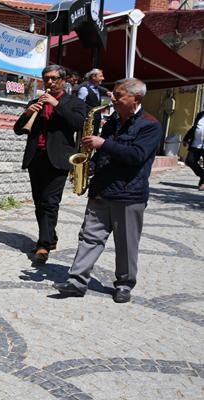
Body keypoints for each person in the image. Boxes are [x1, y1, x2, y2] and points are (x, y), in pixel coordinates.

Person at [53, 78, 162, 303]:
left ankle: (124, 284)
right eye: (113, 93)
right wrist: (91, 165)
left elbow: (136, 156)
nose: (113, 98)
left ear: (136, 98)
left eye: (119, 95)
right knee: (89, 237)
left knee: (126, 244)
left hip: (128, 194)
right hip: (101, 190)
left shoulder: (151, 125)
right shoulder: (113, 120)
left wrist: (103, 144)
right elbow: (105, 154)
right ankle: (77, 281)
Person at [13, 65, 87, 263]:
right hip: (36, 158)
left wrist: (56, 104)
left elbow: (77, 124)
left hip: (59, 159)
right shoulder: (35, 101)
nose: (50, 82)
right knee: (39, 203)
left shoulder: (75, 103)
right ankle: (51, 237)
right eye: (46, 79)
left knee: (50, 202)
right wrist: (28, 113)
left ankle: (43, 245)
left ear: (63, 80)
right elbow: (18, 130)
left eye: (54, 78)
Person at [76, 68, 112, 135]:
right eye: (100, 76)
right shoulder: (84, 89)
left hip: (96, 121)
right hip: (87, 121)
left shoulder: (99, 89)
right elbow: (79, 105)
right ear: (93, 77)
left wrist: (100, 118)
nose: (103, 78)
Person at [182, 110, 204, 190]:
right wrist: (186, 138)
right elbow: (194, 128)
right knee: (189, 161)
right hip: (196, 144)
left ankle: (203, 183)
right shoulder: (200, 115)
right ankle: (203, 175)